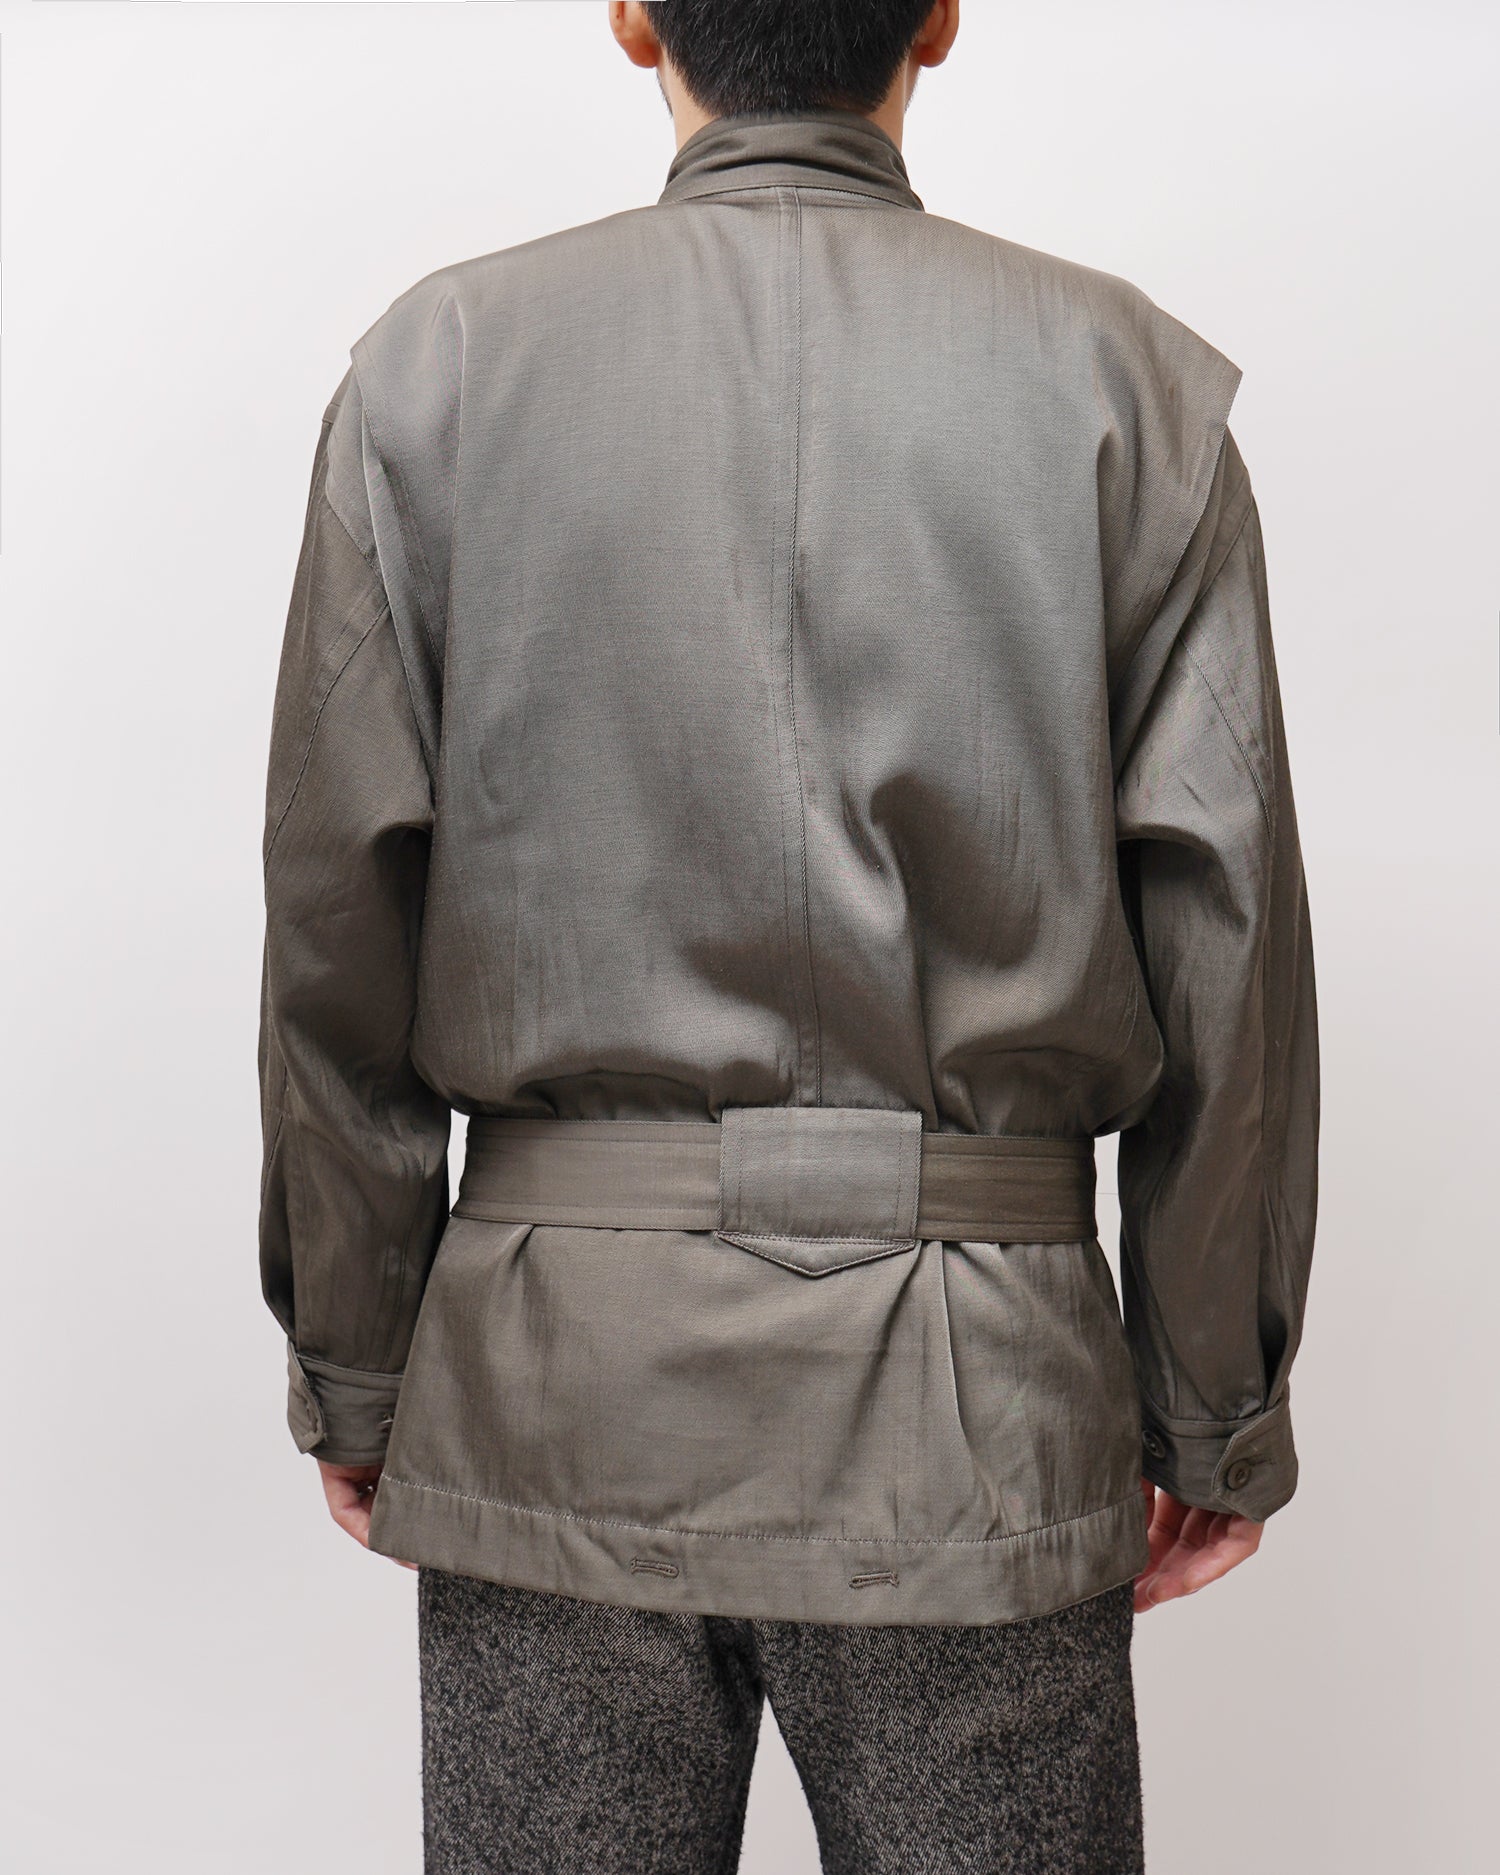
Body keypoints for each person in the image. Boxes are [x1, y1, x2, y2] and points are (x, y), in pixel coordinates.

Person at [257, 2, 1320, 1869]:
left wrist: (357, 1361)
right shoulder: (1134, 395)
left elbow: (335, 919)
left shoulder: (433, 374)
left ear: (633, 18)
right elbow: (1227, 948)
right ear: (940, 19)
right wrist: (1211, 1407)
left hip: (557, 1393)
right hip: (975, 1418)